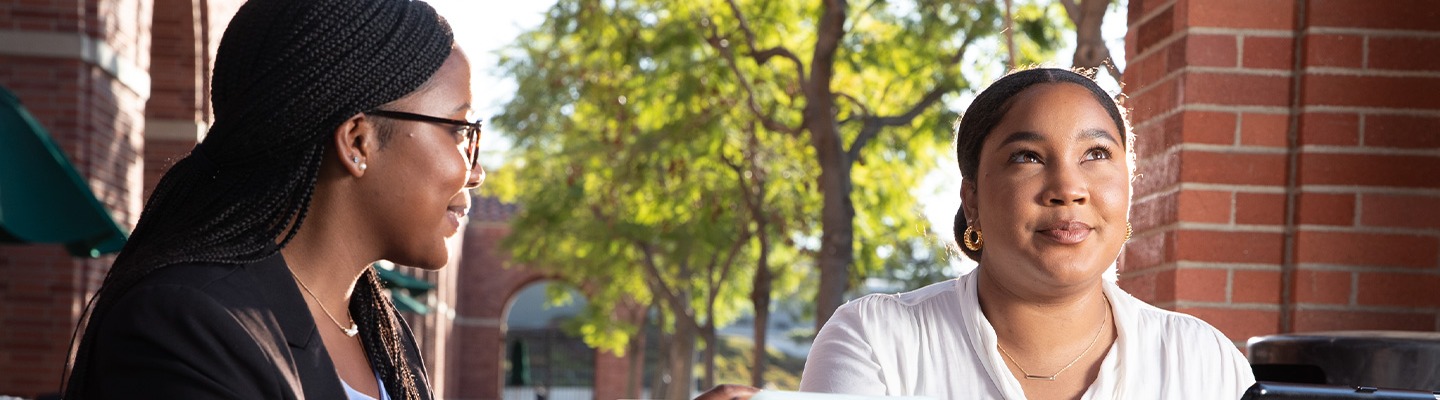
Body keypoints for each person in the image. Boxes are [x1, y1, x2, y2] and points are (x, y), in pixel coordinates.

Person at [61, 0, 482, 398]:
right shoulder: (186, 325)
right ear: (358, 142)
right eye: (460, 131)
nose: (476, 172)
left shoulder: (383, 334)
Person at [797, 68, 1256, 399]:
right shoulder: (877, 341)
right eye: (1027, 157)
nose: (1068, 189)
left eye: (1096, 154)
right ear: (972, 198)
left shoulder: (1201, 360)